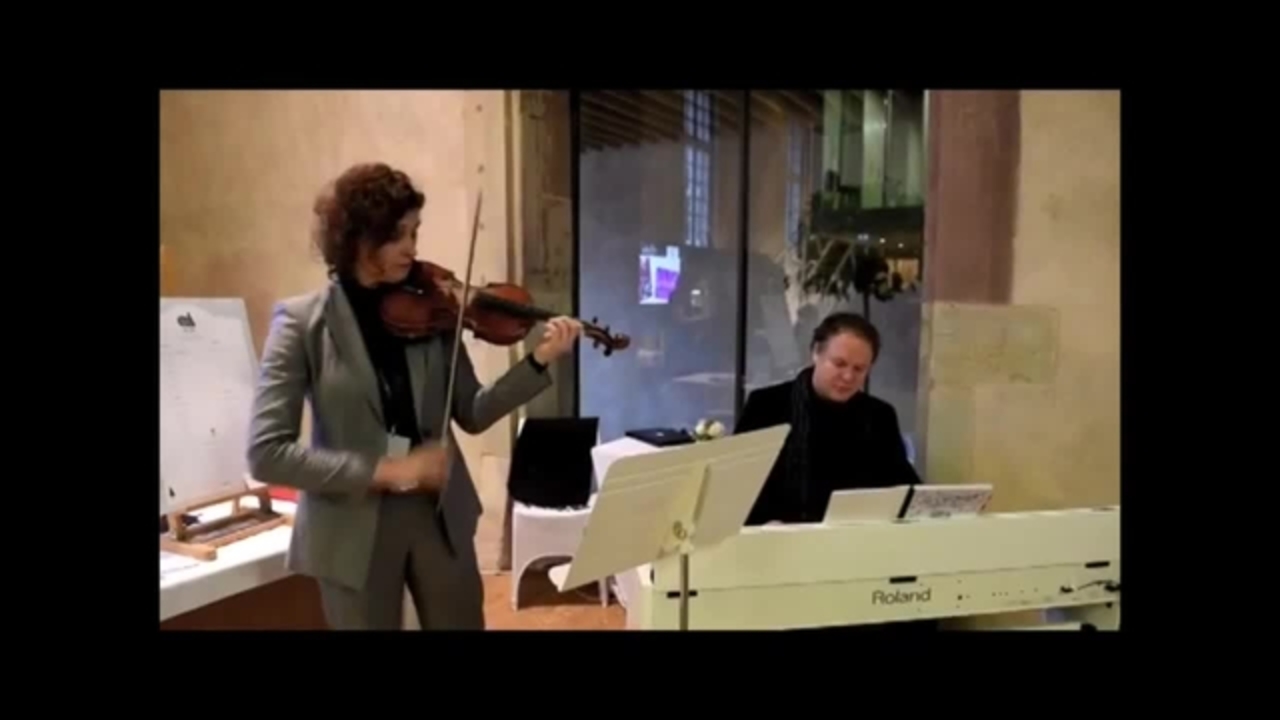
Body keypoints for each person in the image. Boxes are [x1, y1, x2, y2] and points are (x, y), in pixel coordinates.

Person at [247, 162, 581, 630]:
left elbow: (473, 411)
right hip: (351, 523)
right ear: (357, 239)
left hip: (436, 512)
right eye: (396, 235)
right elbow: (267, 454)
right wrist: (386, 470)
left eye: (414, 231)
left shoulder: (432, 308)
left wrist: (539, 360)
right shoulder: (301, 324)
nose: (412, 247)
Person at [736, 311, 920, 526]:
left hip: (855, 538)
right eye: (839, 364)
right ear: (816, 352)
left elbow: (903, 487)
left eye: (859, 369)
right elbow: (738, 486)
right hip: (778, 537)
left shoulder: (878, 415)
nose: (848, 376)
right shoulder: (767, 405)